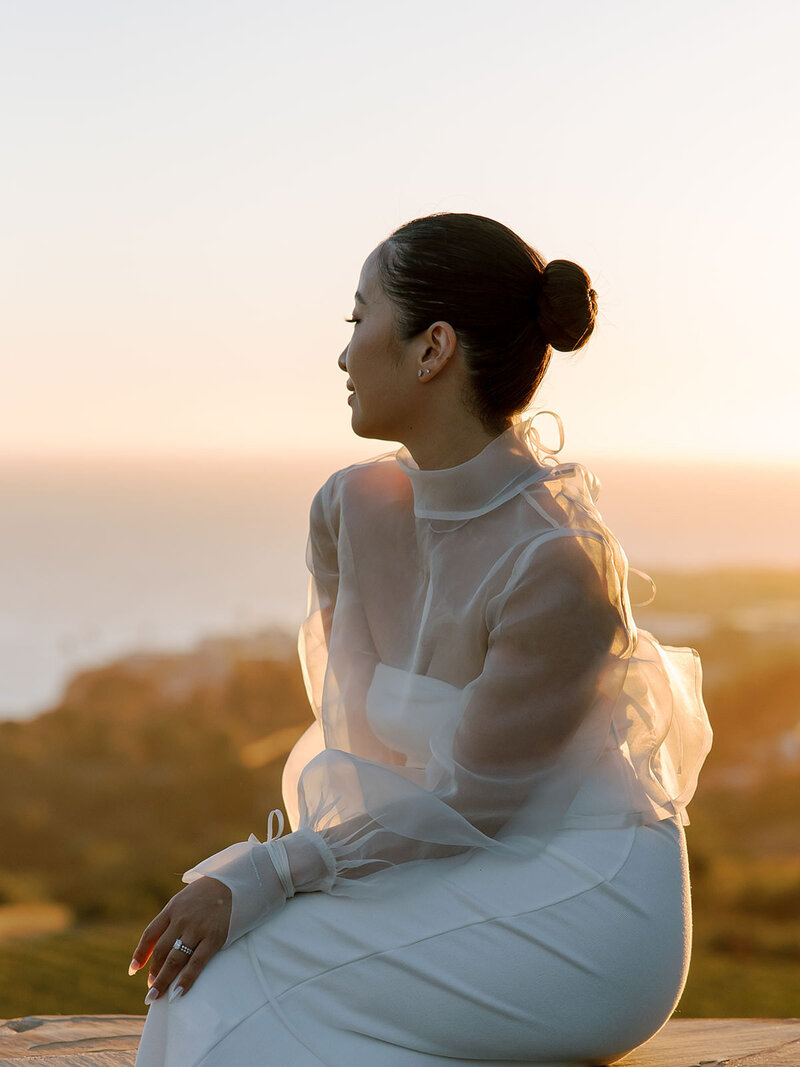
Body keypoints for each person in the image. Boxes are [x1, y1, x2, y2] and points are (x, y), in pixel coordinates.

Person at [131, 212, 712, 1067]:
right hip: (444, 862)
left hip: (583, 897)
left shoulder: (559, 563)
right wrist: (286, 884)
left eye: (358, 319)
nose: (343, 353)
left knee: (232, 979)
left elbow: (477, 804)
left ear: (432, 347)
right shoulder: (347, 510)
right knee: (210, 977)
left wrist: (269, 874)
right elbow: (365, 761)